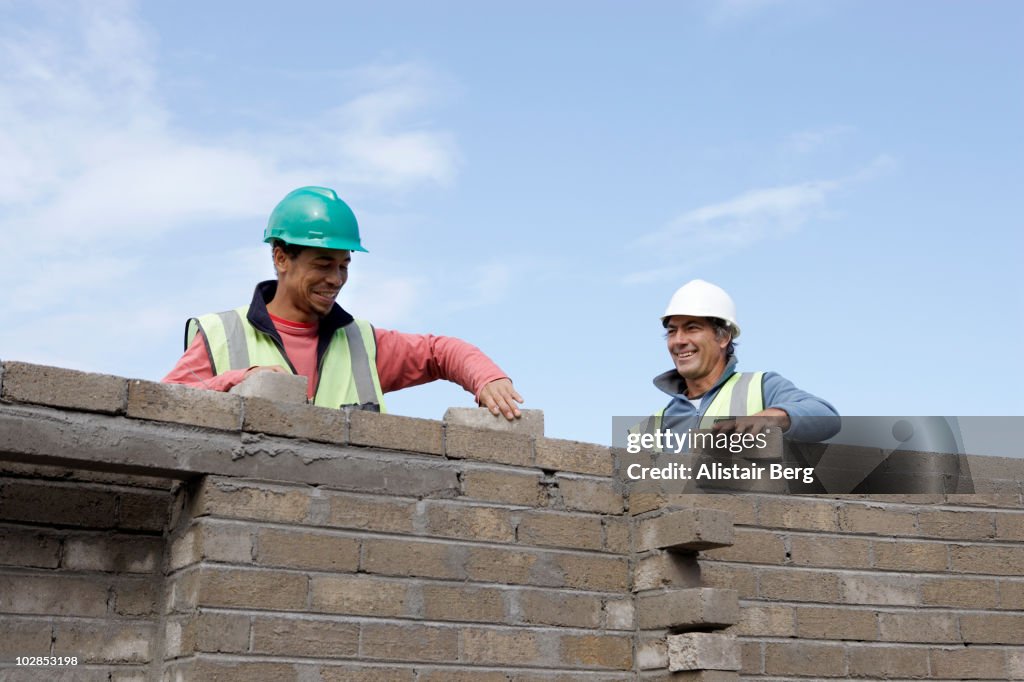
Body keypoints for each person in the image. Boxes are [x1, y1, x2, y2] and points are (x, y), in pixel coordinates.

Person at [163, 186, 523, 420]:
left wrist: (488, 378)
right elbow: (166, 402)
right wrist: (240, 381)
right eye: (322, 265)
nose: (335, 279)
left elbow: (438, 351)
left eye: (343, 265)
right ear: (281, 258)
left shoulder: (361, 344)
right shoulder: (223, 335)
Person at [650, 279, 839, 442]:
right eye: (672, 331)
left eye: (692, 328)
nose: (679, 341)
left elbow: (826, 417)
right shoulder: (655, 424)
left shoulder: (762, 387)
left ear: (724, 337)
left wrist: (769, 419)